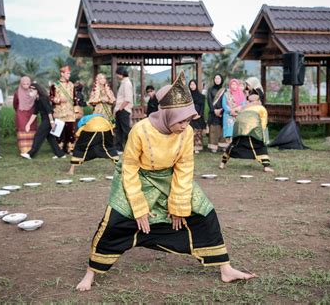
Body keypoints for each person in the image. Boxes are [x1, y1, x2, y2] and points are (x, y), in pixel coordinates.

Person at [76, 72, 257, 292]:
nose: (185, 125)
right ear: (168, 115)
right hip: (136, 177)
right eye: (181, 120)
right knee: (114, 221)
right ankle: (90, 272)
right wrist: (139, 207)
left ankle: (225, 269)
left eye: (189, 119)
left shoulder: (187, 131)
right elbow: (129, 167)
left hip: (169, 177)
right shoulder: (140, 130)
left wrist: (179, 205)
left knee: (205, 213)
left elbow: (184, 167)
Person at [219, 82, 273, 172]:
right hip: (253, 128)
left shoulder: (245, 107)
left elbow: (238, 114)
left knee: (234, 145)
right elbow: (263, 123)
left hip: (239, 127)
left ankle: (222, 163)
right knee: (260, 146)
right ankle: (266, 166)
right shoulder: (261, 108)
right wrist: (262, 135)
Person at [20, 83, 66, 160]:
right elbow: (35, 113)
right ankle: (60, 154)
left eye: (31, 91)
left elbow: (49, 111)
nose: (30, 92)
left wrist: (52, 122)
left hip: (48, 120)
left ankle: (30, 154)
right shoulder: (37, 100)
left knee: (38, 136)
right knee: (50, 138)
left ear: (37, 91)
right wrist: (28, 124)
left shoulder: (43, 98)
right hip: (45, 120)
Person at [50, 65, 80, 154]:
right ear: (62, 73)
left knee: (70, 131)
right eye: (68, 73)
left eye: (69, 73)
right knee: (59, 132)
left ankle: (70, 149)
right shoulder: (55, 85)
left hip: (70, 113)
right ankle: (59, 149)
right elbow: (51, 98)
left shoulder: (71, 85)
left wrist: (76, 110)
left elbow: (75, 98)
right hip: (59, 112)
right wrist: (59, 100)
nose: (69, 75)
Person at [13, 76, 36, 154]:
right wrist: (19, 110)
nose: (26, 85)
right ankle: (24, 150)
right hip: (21, 114)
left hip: (31, 114)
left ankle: (31, 150)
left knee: (31, 130)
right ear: (21, 84)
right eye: (24, 84)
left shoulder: (33, 92)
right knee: (23, 130)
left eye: (27, 84)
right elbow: (15, 104)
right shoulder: (17, 93)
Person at [113, 66, 134, 153]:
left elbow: (128, 99)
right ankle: (119, 148)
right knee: (119, 130)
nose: (117, 76)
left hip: (123, 110)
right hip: (120, 110)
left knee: (126, 130)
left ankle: (131, 148)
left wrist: (121, 108)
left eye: (117, 74)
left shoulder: (127, 83)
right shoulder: (123, 83)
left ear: (121, 74)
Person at [207, 74, 226, 153]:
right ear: (214, 80)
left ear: (221, 80)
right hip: (213, 113)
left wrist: (221, 110)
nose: (217, 80)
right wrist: (214, 110)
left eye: (218, 78)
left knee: (222, 129)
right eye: (216, 78)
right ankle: (213, 146)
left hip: (222, 112)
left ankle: (223, 145)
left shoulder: (225, 90)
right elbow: (209, 100)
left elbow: (227, 101)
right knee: (214, 130)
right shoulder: (210, 89)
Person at [188, 79, 206, 153]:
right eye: (191, 84)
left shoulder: (201, 96)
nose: (192, 86)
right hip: (190, 117)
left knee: (198, 132)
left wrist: (199, 115)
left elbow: (202, 106)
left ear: (196, 85)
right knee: (190, 132)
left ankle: (197, 147)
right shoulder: (187, 97)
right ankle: (190, 147)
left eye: (193, 84)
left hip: (198, 116)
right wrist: (191, 116)